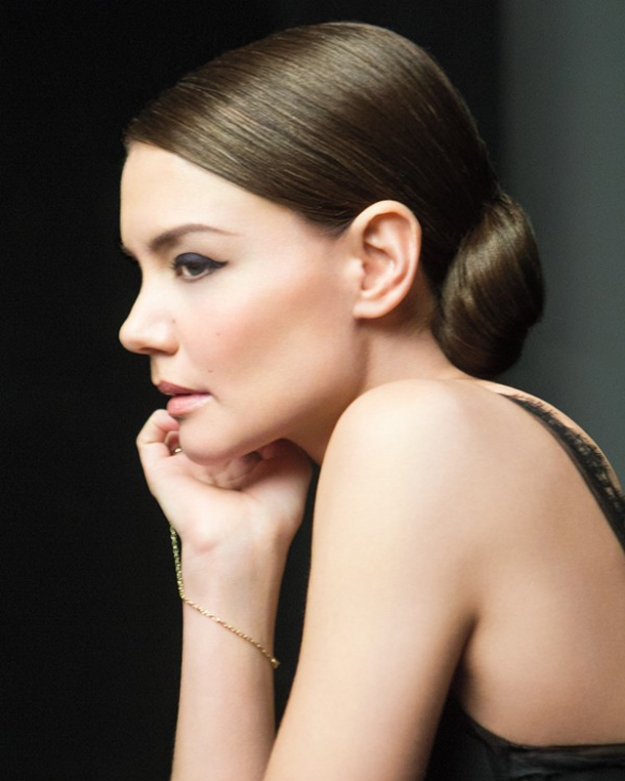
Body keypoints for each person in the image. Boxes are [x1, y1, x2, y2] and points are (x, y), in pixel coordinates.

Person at [118, 21, 625, 781]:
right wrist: (227, 557)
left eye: (194, 263)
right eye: (141, 270)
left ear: (377, 260)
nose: (135, 328)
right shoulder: (493, 434)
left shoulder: (421, 434)